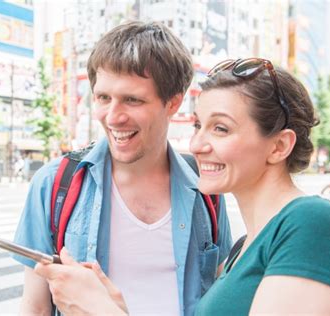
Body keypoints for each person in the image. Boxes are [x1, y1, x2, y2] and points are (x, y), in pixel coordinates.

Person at [35, 58, 330, 315]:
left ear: (279, 146)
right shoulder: (242, 248)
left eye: (220, 128)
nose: (197, 145)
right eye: (198, 126)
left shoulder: (309, 222)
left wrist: (102, 310)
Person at [12, 21, 232, 316]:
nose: (114, 117)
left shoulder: (206, 187)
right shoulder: (54, 184)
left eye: (132, 100)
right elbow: (36, 307)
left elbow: (220, 296)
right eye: (103, 98)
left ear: (173, 103)